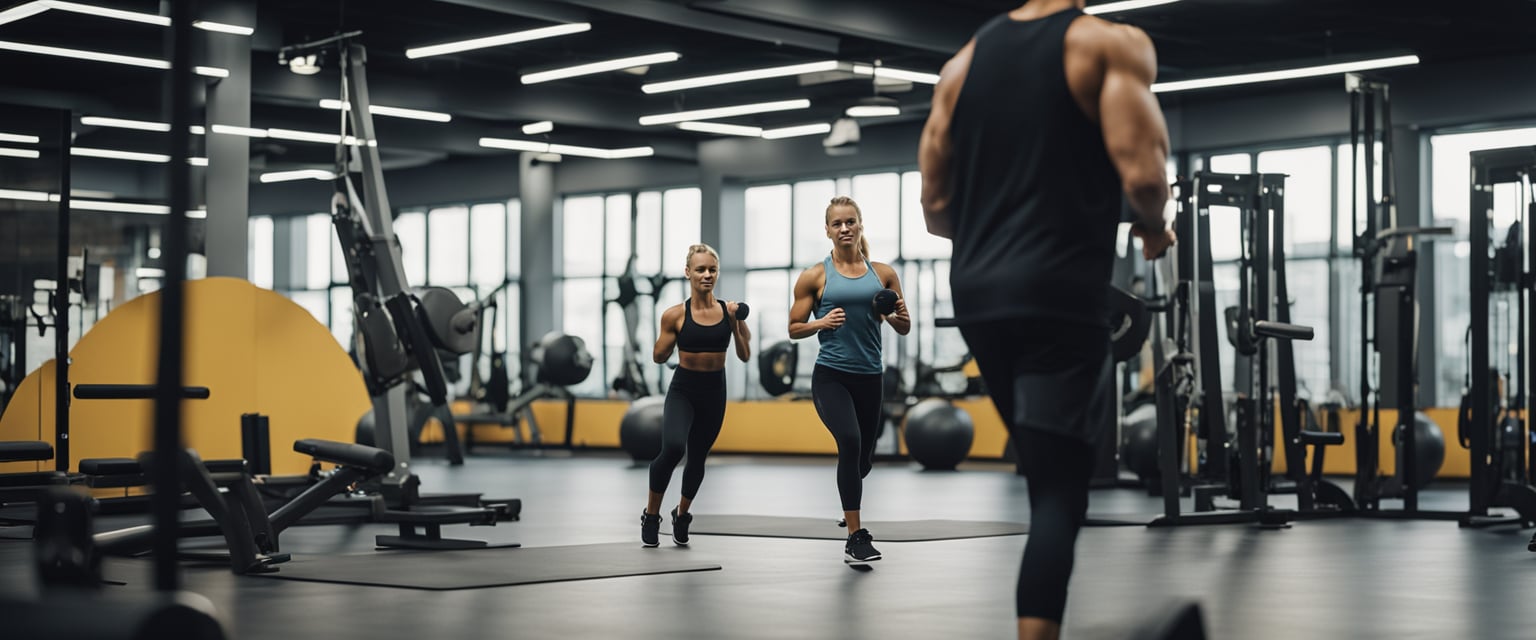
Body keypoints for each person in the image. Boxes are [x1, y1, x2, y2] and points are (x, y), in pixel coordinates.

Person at [918, 1, 1174, 639]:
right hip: (1058, 290)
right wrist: (1151, 224)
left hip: (977, 294)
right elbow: (1144, 174)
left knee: (1044, 471)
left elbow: (935, 207)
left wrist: (996, 237)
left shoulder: (960, 66)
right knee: (1059, 492)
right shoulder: (1107, 44)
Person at [788, 195, 911, 565]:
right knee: (850, 441)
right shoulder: (815, 276)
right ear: (827, 230)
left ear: (860, 225)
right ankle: (856, 536)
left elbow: (903, 327)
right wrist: (820, 323)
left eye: (850, 222)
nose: (844, 229)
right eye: (837, 224)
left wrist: (893, 315)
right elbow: (794, 328)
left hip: (870, 378)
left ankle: (850, 499)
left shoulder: (883, 274)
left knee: (863, 461)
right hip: (831, 376)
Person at [642, 244, 751, 547]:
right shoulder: (675, 315)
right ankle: (651, 515)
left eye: (711, 270)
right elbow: (658, 357)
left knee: (698, 457)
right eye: (700, 269)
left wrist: (736, 322)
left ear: (717, 273)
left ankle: (682, 513)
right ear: (688, 272)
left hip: (714, 390)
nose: (706, 275)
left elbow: (744, 355)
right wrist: (672, 334)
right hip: (684, 389)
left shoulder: (729, 312)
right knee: (674, 448)